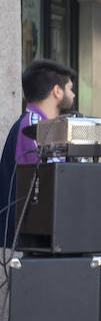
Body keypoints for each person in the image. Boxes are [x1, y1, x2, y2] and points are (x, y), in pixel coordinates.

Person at [2, 59, 77, 247]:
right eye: (70, 88)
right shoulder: (35, 126)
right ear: (57, 91)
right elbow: (51, 183)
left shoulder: (38, 124)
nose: (73, 94)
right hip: (30, 239)